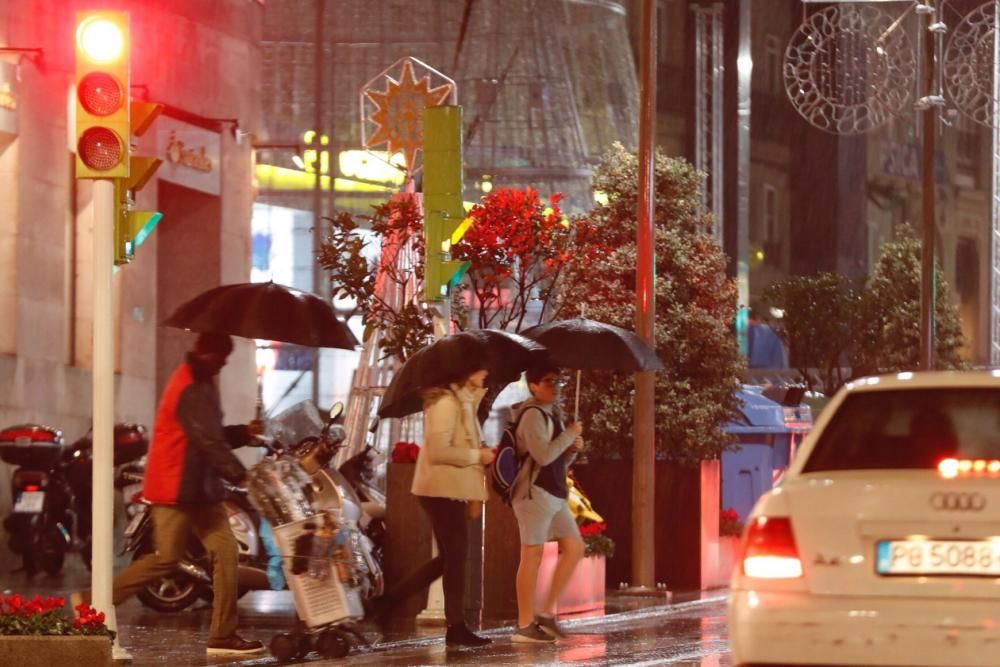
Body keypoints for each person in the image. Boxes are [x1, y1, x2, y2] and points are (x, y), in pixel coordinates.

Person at [73, 333, 264, 655]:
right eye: (220, 358)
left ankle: (222, 635)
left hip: (202, 492)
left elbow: (210, 436)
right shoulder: (189, 386)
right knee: (167, 560)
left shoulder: (203, 383)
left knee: (227, 554)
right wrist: (241, 475)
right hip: (175, 489)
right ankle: (92, 600)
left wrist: (244, 433)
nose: (223, 365)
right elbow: (207, 442)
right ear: (206, 352)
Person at [377, 365, 495, 647]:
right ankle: (454, 626)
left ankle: (389, 602)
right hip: (439, 490)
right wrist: (476, 455)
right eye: (479, 367)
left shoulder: (464, 402)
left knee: (451, 557)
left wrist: (476, 492)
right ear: (464, 371)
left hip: (451, 488)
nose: (485, 373)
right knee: (455, 556)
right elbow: (440, 451)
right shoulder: (445, 403)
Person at [509, 364, 585, 643]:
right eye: (548, 381)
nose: (555, 386)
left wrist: (571, 449)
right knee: (532, 554)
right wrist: (569, 435)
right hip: (533, 494)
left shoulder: (552, 413)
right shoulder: (531, 415)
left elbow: (556, 461)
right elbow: (541, 455)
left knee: (575, 548)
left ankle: (546, 614)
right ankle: (524, 624)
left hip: (553, 493)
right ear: (533, 386)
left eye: (559, 381)